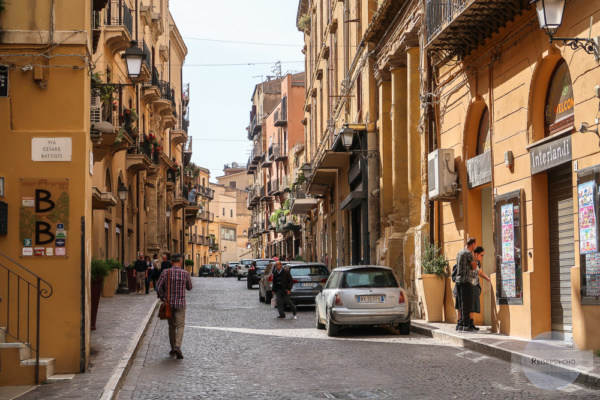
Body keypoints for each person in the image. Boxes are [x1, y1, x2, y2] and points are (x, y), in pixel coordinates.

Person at [156, 254, 192, 359]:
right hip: (180, 304)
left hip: (169, 303)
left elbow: (158, 287)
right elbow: (189, 287)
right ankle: (177, 346)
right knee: (180, 326)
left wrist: (162, 297)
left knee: (172, 326)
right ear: (180, 262)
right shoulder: (185, 273)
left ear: (172, 262)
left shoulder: (165, 272)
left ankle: (172, 348)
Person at [455, 238, 478, 332]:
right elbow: (474, 266)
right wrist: (475, 258)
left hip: (458, 280)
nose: (475, 247)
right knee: (466, 303)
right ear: (472, 244)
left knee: (461, 302)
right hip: (466, 280)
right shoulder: (468, 253)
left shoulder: (459, 252)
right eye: (475, 245)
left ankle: (460, 323)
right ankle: (466, 324)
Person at [469, 246, 492, 331]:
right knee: (469, 305)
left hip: (474, 285)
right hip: (469, 285)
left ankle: (471, 323)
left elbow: (480, 272)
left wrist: (487, 278)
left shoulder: (478, 263)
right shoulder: (471, 261)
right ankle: (467, 323)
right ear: (476, 254)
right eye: (481, 255)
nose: (482, 257)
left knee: (473, 305)